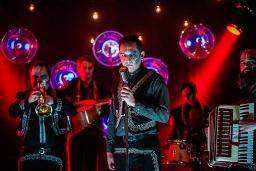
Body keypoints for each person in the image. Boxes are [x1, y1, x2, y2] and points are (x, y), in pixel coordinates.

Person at [106, 35, 170, 171]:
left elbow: (164, 116)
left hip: (146, 148)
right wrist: (109, 150)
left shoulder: (155, 80)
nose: (127, 60)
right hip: (121, 149)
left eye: (132, 55)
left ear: (142, 55)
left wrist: (135, 103)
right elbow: (112, 119)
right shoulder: (116, 82)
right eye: (123, 55)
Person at [9, 61, 76, 171]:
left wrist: (54, 102)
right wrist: (26, 101)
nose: (38, 80)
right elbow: (11, 112)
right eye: (35, 77)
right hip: (28, 156)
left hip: (54, 157)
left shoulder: (58, 95)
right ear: (30, 78)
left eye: (43, 76)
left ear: (49, 77)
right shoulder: (24, 96)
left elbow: (72, 111)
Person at [58, 53, 110, 171]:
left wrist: (101, 109)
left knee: (92, 168)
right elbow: (60, 107)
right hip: (75, 135)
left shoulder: (101, 89)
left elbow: (107, 112)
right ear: (78, 69)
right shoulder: (69, 87)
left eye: (90, 68)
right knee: (74, 167)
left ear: (93, 69)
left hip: (94, 134)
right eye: (84, 68)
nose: (87, 71)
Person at [167, 81, 210, 170]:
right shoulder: (176, 112)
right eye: (184, 96)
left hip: (203, 153)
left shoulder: (206, 110)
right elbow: (171, 135)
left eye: (189, 94)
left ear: (195, 91)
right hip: (183, 153)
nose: (187, 98)